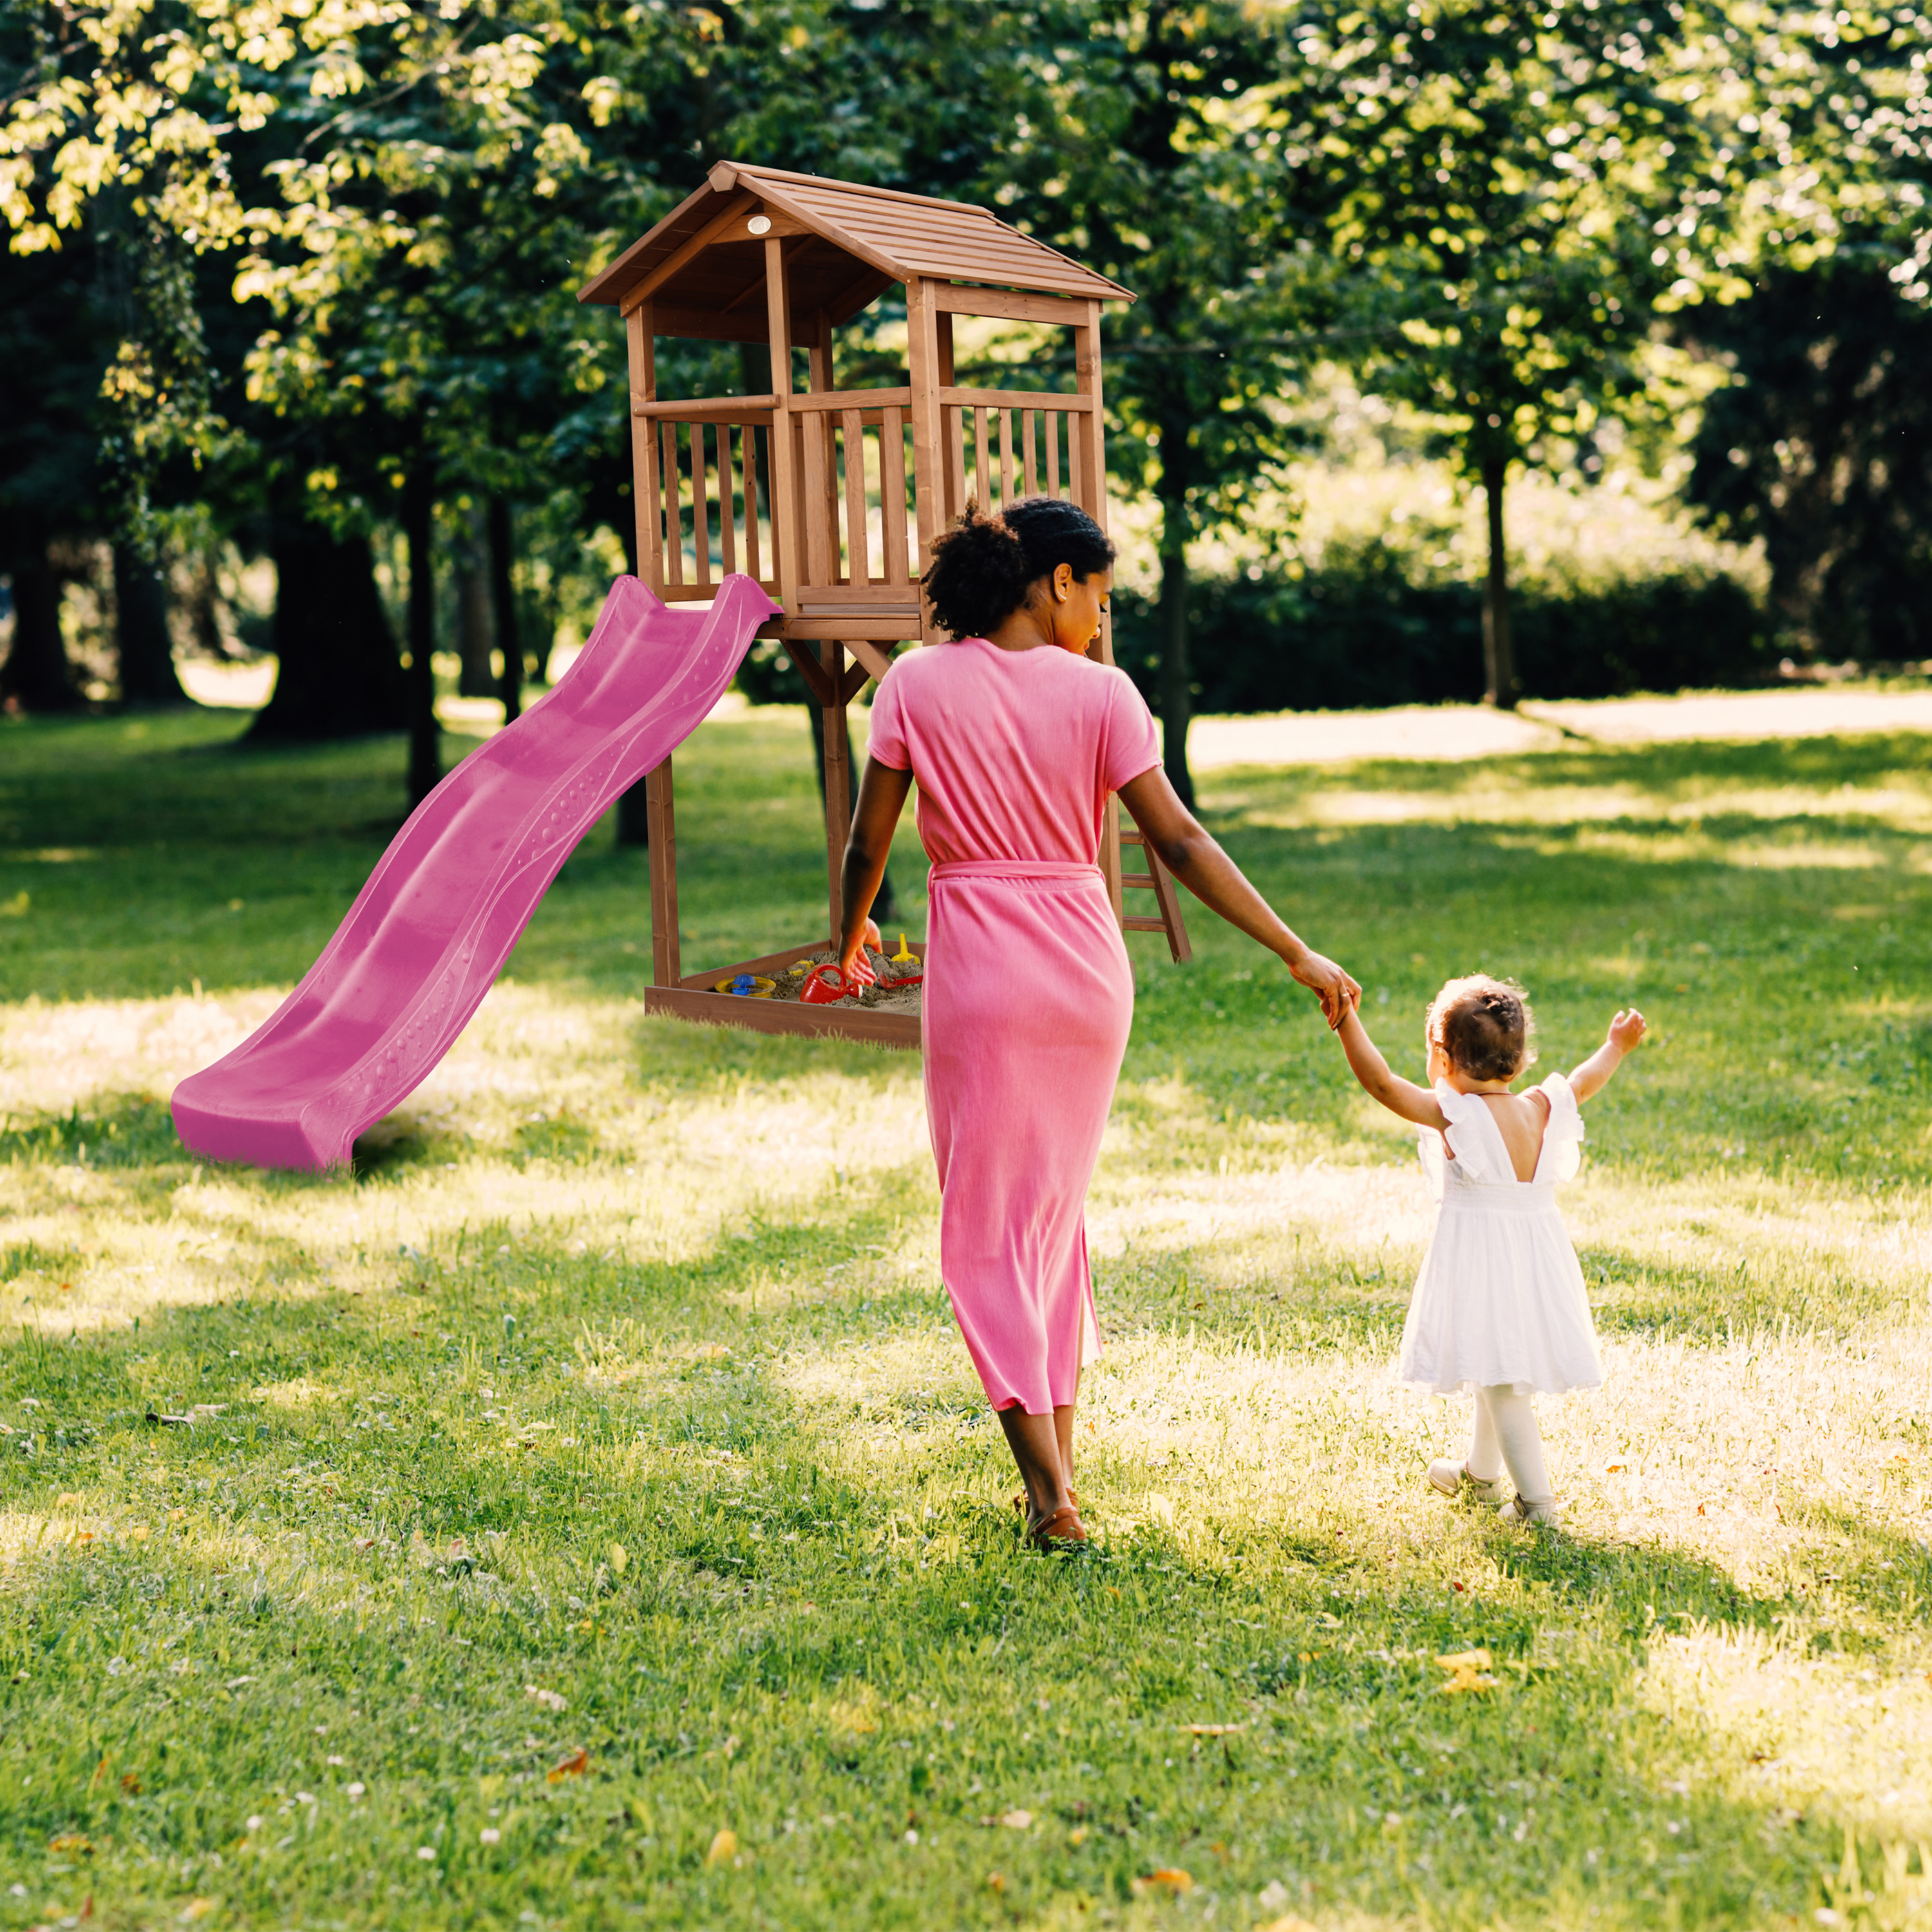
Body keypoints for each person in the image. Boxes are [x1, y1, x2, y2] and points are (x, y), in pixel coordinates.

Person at [835, 498, 1360, 1549]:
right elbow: (1179, 842)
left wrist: (845, 939)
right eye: (1101, 598)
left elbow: (868, 844)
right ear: (1055, 581)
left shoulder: (914, 683)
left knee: (987, 1231)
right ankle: (1058, 1478)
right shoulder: (1106, 697)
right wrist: (1293, 947)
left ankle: (1047, 1496)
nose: (1103, 623)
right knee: (1047, 1223)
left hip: (982, 974)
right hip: (1085, 974)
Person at [1331, 973, 1647, 1526]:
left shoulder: (1456, 1115)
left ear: (1443, 1059)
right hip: (1535, 1261)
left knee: (1503, 1384)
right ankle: (1480, 1476)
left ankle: (1537, 1506)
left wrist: (1345, 1019)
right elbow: (1585, 1079)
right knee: (1490, 1362)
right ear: (1520, 1061)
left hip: (1485, 1263)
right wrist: (1615, 1046)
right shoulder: (1542, 1106)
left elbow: (1381, 1083)